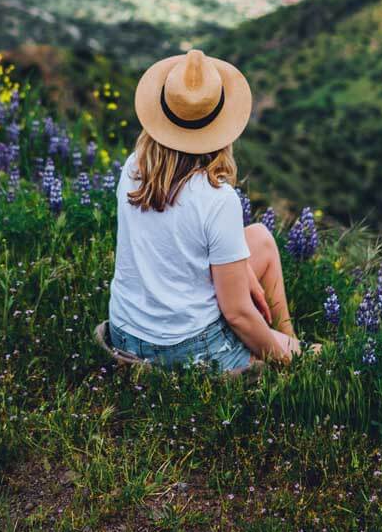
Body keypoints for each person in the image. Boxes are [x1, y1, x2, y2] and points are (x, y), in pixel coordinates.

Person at [107, 48, 302, 372]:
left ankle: (286, 336)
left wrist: (243, 277)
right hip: (185, 347)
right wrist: (287, 358)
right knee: (316, 355)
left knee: (260, 238)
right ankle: (288, 353)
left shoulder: (134, 169)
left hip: (124, 333)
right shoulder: (217, 199)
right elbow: (237, 314)